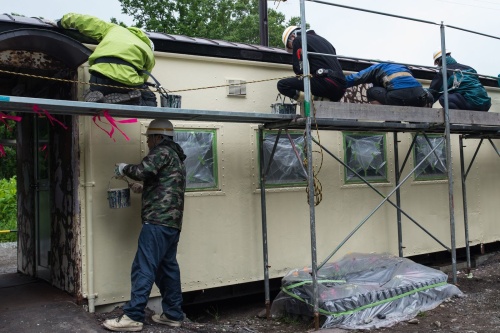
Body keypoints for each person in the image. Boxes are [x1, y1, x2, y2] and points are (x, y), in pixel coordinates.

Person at [104, 119, 187, 332]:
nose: (148, 143)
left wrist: (124, 168)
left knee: (144, 266)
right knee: (167, 268)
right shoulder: (176, 155)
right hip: (171, 222)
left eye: (150, 138)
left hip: (157, 221)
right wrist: (143, 188)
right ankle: (172, 314)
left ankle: (132, 316)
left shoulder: (162, 151)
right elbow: (163, 183)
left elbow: (142, 170)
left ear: (158, 137)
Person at [49, 13, 157, 106]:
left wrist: (61, 22)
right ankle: (129, 99)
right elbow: (143, 78)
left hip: (97, 77)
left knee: (100, 88)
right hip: (125, 81)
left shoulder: (114, 29)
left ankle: (94, 92)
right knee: (150, 101)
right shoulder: (147, 50)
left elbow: (86, 21)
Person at [277, 26, 346, 103]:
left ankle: (313, 101)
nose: (293, 48)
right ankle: (321, 99)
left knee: (282, 85)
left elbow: (300, 70)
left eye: (291, 46)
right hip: (341, 88)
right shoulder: (327, 42)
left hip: (327, 83)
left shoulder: (298, 40)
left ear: (292, 37)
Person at [345, 63, 434, 107]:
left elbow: (356, 78)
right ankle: (416, 119)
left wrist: (339, 82)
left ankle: (390, 117)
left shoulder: (377, 67)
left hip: (398, 96)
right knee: (424, 94)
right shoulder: (403, 67)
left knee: (371, 91)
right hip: (420, 96)